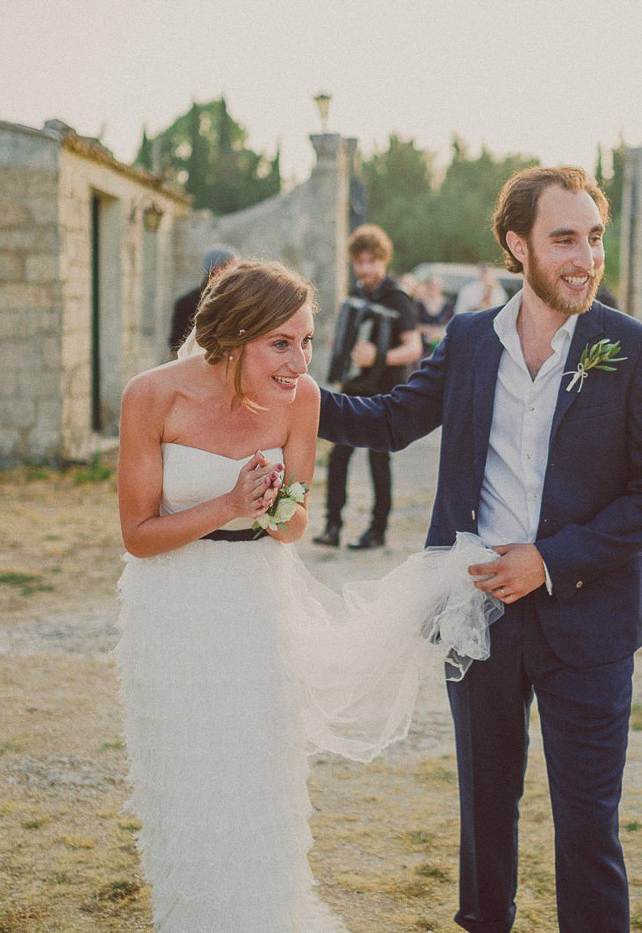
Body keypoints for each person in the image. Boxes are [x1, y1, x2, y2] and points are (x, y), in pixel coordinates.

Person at [319, 166, 642, 932]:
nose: (585, 257)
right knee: (485, 807)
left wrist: (549, 559)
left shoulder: (634, 348)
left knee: (588, 823)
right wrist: (292, 392)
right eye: (564, 240)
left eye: (593, 238)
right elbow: (391, 420)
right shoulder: (468, 339)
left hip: (588, 622)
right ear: (517, 245)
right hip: (475, 609)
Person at [114, 259, 502, 931]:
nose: (301, 360)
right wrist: (229, 502)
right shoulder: (152, 396)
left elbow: (293, 523)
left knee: (256, 773)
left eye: (307, 340)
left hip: (255, 605)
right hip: (169, 609)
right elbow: (138, 533)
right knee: (187, 778)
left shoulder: (303, 399)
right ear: (235, 336)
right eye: (282, 343)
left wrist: (268, 509)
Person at [313, 224, 422, 550]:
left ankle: (377, 530)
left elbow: (414, 348)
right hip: (354, 388)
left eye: (371, 262)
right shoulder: (355, 297)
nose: (365, 269)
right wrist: (341, 352)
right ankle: (332, 526)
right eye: (359, 262)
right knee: (338, 456)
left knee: (378, 460)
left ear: (383, 261)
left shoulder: (398, 299)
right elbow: (344, 339)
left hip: (386, 391)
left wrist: (378, 355)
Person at [167, 244, 236, 354]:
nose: (237, 272)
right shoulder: (228, 301)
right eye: (234, 266)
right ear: (218, 269)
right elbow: (177, 345)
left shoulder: (183, 302)